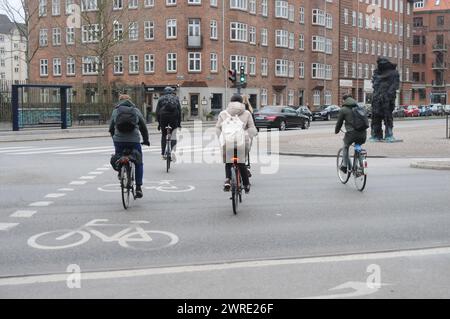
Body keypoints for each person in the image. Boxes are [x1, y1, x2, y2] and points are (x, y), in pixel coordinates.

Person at [109, 94, 150, 199]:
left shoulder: (116, 111)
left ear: (119, 101)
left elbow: (111, 128)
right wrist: (146, 140)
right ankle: (139, 188)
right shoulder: (135, 110)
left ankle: (120, 171)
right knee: (139, 162)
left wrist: (115, 138)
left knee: (118, 155)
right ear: (130, 101)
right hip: (134, 140)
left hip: (119, 141)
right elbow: (143, 127)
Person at [216, 94, 257, 193]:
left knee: (228, 162)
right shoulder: (247, 113)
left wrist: (220, 138)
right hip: (242, 142)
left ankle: (227, 180)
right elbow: (251, 127)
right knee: (241, 162)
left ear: (230, 102)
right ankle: (246, 185)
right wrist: (252, 135)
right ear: (241, 102)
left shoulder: (223, 113)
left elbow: (218, 128)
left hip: (228, 141)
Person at [335, 95, 368, 173]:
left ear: (344, 100)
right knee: (358, 146)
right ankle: (361, 166)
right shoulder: (360, 108)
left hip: (351, 134)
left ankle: (344, 166)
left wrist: (336, 131)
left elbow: (339, 123)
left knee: (345, 146)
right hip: (363, 133)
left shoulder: (343, 110)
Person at [156, 87, 182, 161]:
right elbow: (179, 112)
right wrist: (179, 124)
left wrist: (159, 124)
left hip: (163, 117)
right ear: (172, 92)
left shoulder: (161, 99)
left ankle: (163, 154)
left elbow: (157, 112)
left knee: (164, 135)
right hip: (174, 117)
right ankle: (173, 152)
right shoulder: (176, 98)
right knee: (173, 135)